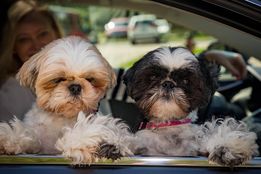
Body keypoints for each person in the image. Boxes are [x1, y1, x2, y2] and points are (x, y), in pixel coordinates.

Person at [0, 0, 62, 121]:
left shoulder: (77, 75)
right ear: (13, 47)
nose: (37, 45)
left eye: (42, 34)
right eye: (24, 39)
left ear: (56, 34)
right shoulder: (12, 93)